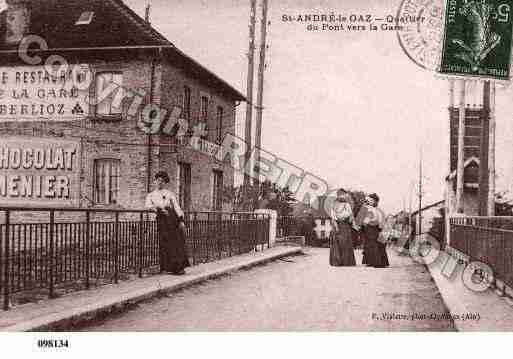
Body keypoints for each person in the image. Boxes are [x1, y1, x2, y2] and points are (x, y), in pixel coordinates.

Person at [145, 171, 190, 275]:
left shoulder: (169, 194)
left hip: (172, 220)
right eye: (158, 181)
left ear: (165, 182)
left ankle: (178, 268)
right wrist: (158, 209)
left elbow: (177, 207)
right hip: (161, 220)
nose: (160, 183)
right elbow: (148, 206)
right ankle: (165, 267)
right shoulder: (151, 195)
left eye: (162, 181)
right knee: (164, 243)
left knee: (176, 243)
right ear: (154, 181)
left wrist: (181, 220)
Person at [329, 188, 357, 267]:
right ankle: (337, 261)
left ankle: (347, 262)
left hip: (345, 224)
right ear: (338, 196)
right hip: (337, 224)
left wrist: (349, 219)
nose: (344, 197)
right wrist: (336, 225)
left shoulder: (347, 205)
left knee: (346, 242)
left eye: (345, 195)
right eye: (342, 195)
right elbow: (333, 216)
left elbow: (350, 215)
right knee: (337, 242)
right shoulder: (334, 205)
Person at [360, 193, 389, 268]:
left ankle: (378, 262)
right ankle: (370, 261)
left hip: (375, 228)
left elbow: (380, 220)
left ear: (376, 201)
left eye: (372, 200)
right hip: (369, 228)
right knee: (370, 244)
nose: (370, 202)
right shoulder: (369, 209)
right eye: (369, 200)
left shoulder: (378, 210)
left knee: (375, 244)